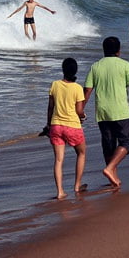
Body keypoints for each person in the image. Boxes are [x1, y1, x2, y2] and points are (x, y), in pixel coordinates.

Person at [83, 37, 129, 189]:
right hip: (120, 111)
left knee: (108, 146)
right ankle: (109, 170)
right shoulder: (125, 65)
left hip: (102, 113)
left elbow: (87, 91)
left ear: (104, 50)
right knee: (127, 142)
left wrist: (80, 111)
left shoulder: (95, 67)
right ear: (118, 51)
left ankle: (113, 178)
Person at [45, 58, 88, 199]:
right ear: (75, 71)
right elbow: (79, 111)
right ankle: (77, 185)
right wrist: (84, 116)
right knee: (81, 153)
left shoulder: (55, 85)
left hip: (56, 126)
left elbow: (50, 108)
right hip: (72, 126)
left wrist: (48, 124)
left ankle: (60, 192)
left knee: (58, 160)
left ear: (63, 70)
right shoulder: (77, 88)